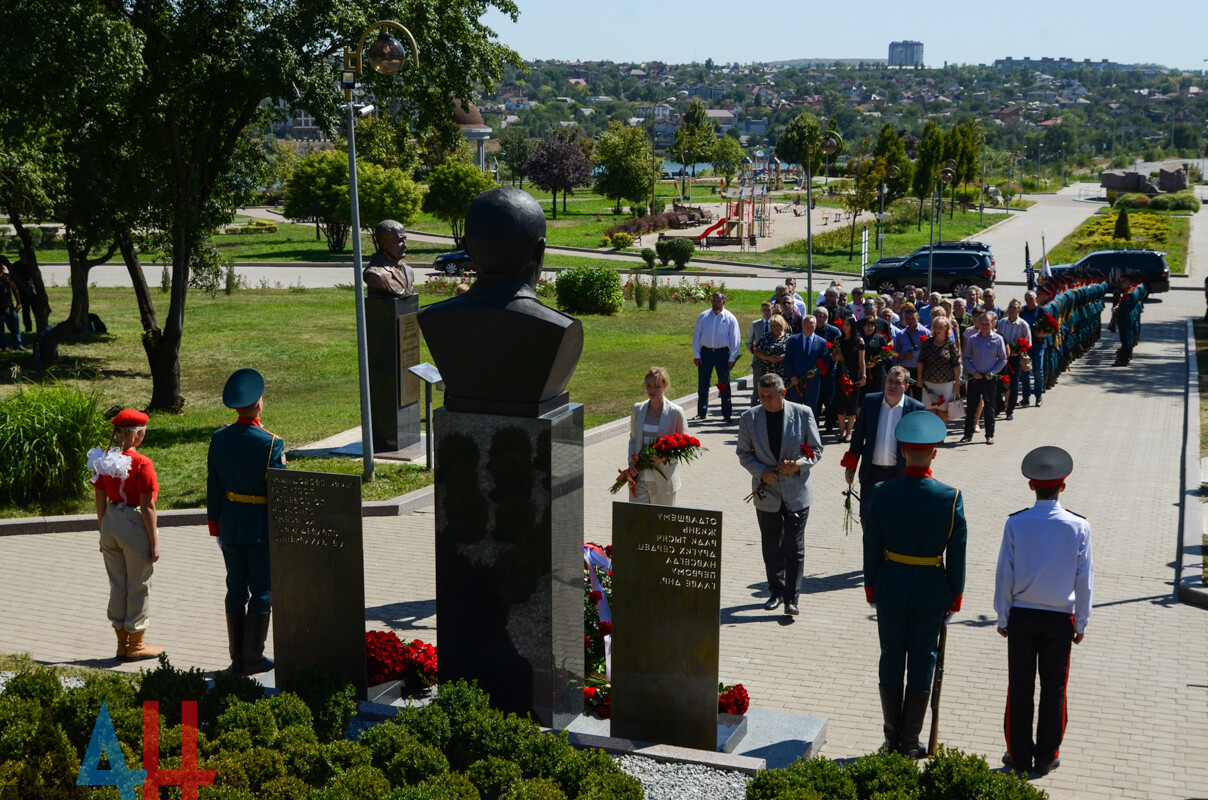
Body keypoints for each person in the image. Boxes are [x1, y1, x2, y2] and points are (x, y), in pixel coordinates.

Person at [863, 411, 966, 758]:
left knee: (891, 657)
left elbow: (871, 544)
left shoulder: (882, 492)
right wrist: (955, 595)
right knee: (923, 660)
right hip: (931, 591)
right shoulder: (950, 497)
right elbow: (958, 551)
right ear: (934, 452)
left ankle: (891, 738)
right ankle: (909, 741)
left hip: (890, 585)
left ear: (903, 451)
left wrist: (871, 586)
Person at [994, 447, 1093, 777]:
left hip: (1022, 615)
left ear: (1031, 486)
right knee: (1054, 690)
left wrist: (1003, 615)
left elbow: (1004, 573)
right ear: (1062, 486)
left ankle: (1017, 755)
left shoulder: (1016, 523)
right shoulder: (1079, 526)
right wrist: (1082, 621)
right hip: (1059, 619)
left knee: (1019, 688)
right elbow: (1084, 578)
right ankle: (1047, 755)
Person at [208, 368, 287, 675]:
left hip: (230, 524)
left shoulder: (220, 438)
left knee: (235, 589)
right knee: (263, 590)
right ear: (258, 405)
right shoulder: (270, 443)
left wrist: (215, 525)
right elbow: (278, 492)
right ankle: (252, 656)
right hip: (259, 527)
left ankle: (236, 658)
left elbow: (213, 484)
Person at [737, 373, 823, 616]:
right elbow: (743, 453)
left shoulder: (803, 413)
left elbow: (816, 449)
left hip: (796, 492)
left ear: (783, 393)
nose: (764, 400)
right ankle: (775, 591)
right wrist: (761, 472)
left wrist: (798, 465)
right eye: (761, 396)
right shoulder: (749, 418)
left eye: (770, 396)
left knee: (794, 547)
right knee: (771, 546)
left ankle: (792, 599)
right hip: (767, 493)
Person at [88, 409, 163, 660]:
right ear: (138, 435)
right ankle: (136, 643)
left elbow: (99, 497)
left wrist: (103, 529)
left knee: (117, 583)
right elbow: (147, 506)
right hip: (133, 522)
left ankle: (121, 642)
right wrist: (154, 542)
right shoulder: (142, 463)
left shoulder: (103, 459)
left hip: (110, 520)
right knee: (139, 584)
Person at [841, 366, 925, 521]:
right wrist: (850, 466)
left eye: (897, 383)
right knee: (868, 520)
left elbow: (920, 449)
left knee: (895, 521)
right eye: (890, 381)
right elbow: (858, 437)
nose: (892, 386)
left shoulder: (915, 409)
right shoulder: (871, 401)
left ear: (906, 387)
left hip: (899, 475)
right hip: (871, 474)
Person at [624, 367, 687, 506]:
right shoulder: (638, 409)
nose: (652, 390)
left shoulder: (676, 413)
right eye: (649, 386)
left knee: (661, 526)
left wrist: (664, 458)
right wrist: (630, 463)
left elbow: (683, 447)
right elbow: (633, 440)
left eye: (657, 386)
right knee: (638, 524)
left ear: (666, 387)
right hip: (639, 479)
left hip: (663, 481)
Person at [691, 292, 741, 423]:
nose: (715, 303)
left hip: (722, 354)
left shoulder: (730, 318)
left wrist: (732, 358)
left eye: (718, 301)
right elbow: (697, 336)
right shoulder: (704, 316)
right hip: (706, 353)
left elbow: (735, 340)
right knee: (703, 384)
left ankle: (726, 414)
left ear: (723, 302)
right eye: (713, 301)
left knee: (724, 385)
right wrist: (697, 354)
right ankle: (701, 412)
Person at [960, 312, 1007, 445]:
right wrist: (973, 371)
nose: (985, 326)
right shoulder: (973, 339)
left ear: (993, 323)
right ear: (979, 324)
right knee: (971, 407)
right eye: (983, 324)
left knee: (990, 407)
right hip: (975, 377)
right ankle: (968, 434)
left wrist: (993, 372)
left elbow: (1003, 359)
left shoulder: (998, 339)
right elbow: (965, 357)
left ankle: (989, 435)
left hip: (989, 378)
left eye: (988, 324)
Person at [784, 314, 831, 418]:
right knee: (795, 409)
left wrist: (816, 372)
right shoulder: (793, 340)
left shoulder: (821, 342)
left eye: (812, 326)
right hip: (796, 381)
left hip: (813, 382)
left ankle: (811, 432)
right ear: (802, 325)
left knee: (812, 409)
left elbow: (825, 361)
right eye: (807, 326)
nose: (810, 328)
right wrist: (792, 375)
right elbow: (787, 359)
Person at [917, 316, 961, 423]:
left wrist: (957, 383)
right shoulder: (927, 343)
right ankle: (930, 438)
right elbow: (921, 361)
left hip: (946, 384)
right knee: (929, 411)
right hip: (929, 383)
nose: (938, 329)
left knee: (943, 411)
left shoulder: (950, 344)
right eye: (936, 327)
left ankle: (940, 437)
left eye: (941, 327)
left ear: (946, 328)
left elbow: (956, 364)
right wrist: (919, 379)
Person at [996, 299, 1032, 421]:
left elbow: (1028, 343)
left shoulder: (1023, 325)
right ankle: (999, 405)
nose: (1011, 309)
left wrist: (1018, 351)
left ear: (1019, 310)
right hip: (1001, 358)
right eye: (1010, 307)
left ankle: (1010, 410)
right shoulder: (1002, 322)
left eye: (1014, 307)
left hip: (1015, 358)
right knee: (998, 381)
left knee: (1014, 384)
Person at [834, 316, 866, 442]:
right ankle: (842, 431)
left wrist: (863, 376)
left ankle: (849, 432)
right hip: (840, 374)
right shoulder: (838, 339)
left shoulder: (859, 341)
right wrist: (836, 356)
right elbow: (832, 357)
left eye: (847, 324)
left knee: (852, 404)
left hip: (854, 375)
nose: (845, 326)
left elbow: (861, 361)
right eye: (844, 324)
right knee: (840, 403)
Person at [363, 219, 415, 298]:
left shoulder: (408, 270)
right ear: (383, 243)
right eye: (399, 240)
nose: (405, 245)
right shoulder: (375, 274)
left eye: (404, 239)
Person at [813, 307, 842, 433]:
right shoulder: (811, 329)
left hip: (830, 370)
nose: (819, 319)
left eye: (822, 316)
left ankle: (829, 425)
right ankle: (814, 426)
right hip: (814, 370)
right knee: (816, 400)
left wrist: (835, 357)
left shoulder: (834, 331)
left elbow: (839, 349)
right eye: (817, 316)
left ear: (827, 318)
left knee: (829, 400)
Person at [892, 304, 930, 400]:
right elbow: (896, 352)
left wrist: (913, 354)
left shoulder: (925, 332)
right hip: (905, 369)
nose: (910, 321)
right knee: (904, 395)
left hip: (919, 369)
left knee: (919, 396)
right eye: (908, 319)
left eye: (913, 318)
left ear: (918, 318)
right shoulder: (901, 334)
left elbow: (928, 350)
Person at [1018, 290, 1046, 408]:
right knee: (1025, 372)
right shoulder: (1023, 311)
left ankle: (1038, 396)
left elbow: (1049, 327)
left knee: (1037, 372)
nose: (1029, 301)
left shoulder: (1042, 311)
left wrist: (1042, 333)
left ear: (1036, 299)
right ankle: (1025, 398)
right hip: (1026, 346)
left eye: (1031, 298)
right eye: (1027, 299)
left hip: (1038, 346)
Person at [747, 302, 774, 403]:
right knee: (757, 386)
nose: (767, 312)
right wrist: (754, 351)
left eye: (769, 310)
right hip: (758, 359)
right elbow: (749, 342)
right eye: (765, 310)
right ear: (761, 311)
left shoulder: (776, 323)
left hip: (771, 360)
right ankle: (753, 409)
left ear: (773, 310)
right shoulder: (756, 324)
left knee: (771, 385)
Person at [755, 314, 792, 385]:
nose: (776, 328)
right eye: (773, 326)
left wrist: (783, 356)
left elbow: (794, 352)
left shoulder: (789, 338)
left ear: (782, 325)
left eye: (778, 325)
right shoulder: (765, 337)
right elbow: (757, 351)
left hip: (784, 371)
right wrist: (768, 358)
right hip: (768, 370)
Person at [861, 316, 891, 396]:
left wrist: (876, 363)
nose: (869, 328)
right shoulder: (859, 338)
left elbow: (887, 355)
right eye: (867, 325)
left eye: (872, 326)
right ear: (863, 327)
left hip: (877, 373)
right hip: (862, 372)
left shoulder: (880, 338)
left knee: (877, 396)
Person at [0, 259, 22, 351]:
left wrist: (19, 302)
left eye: (1, 266)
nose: (1, 267)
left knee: (16, 327)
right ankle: (4, 346)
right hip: (0, 308)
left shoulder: (7, 277)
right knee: (1, 330)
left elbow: (15, 290)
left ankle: (18, 345)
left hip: (10, 306)